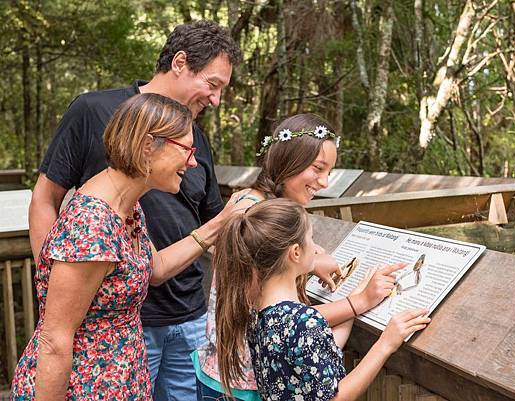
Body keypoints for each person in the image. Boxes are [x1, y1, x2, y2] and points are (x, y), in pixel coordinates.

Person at [27, 20, 242, 399]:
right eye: (213, 84)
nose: (193, 162)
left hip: (144, 348)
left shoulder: (128, 210)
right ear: (147, 146)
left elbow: (156, 267)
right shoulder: (92, 225)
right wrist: (58, 283)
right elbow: (56, 341)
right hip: (89, 373)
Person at [193, 113, 405, 401]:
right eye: (318, 168)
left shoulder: (266, 207)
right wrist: (358, 303)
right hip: (238, 384)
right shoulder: (252, 212)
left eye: (330, 171)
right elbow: (269, 317)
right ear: (289, 159)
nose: (325, 182)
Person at [214, 198, 431, 401]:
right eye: (310, 238)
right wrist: (385, 344)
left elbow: (318, 355)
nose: (316, 246)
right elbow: (335, 397)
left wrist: (356, 298)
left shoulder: (259, 311)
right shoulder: (302, 321)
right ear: (296, 253)